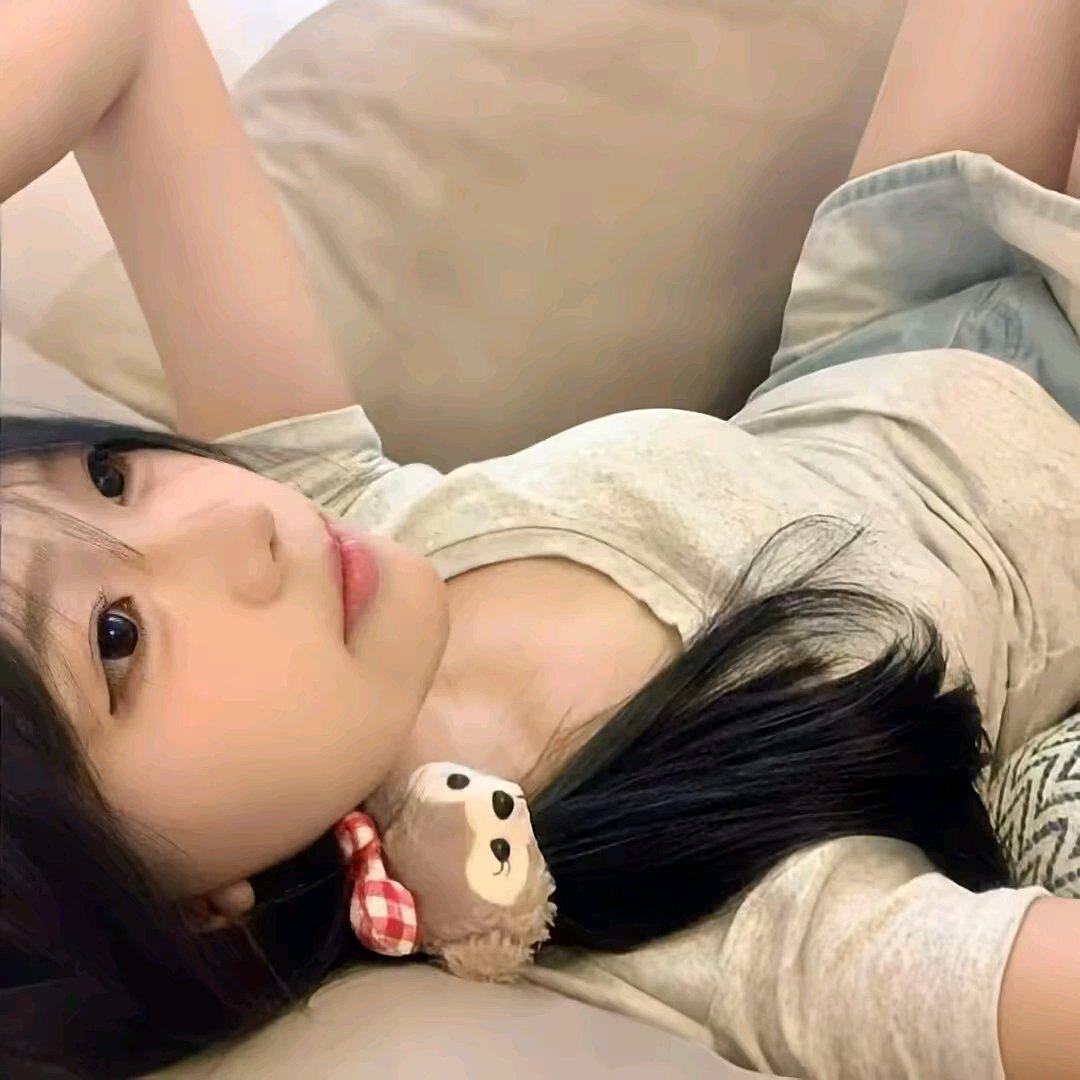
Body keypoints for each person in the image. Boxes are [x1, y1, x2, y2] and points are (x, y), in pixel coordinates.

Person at [1, 0, 1077, 1077]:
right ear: (182, 910)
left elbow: (123, 30)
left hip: (878, 319)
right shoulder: (683, 914)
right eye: (116, 637)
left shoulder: (345, 530)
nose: (231, 518)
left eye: (110, 476)